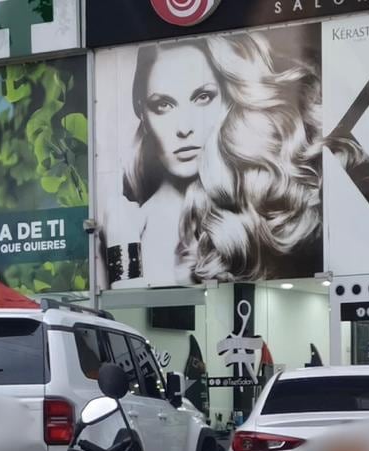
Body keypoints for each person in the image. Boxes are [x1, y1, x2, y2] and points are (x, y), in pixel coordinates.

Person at [119, 32, 323, 285]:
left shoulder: (267, 213)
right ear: (142, 113)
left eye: (202, 97)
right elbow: (122, 300)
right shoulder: (126, 223)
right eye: (163, 105)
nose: (184, 128)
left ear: (231, 101)